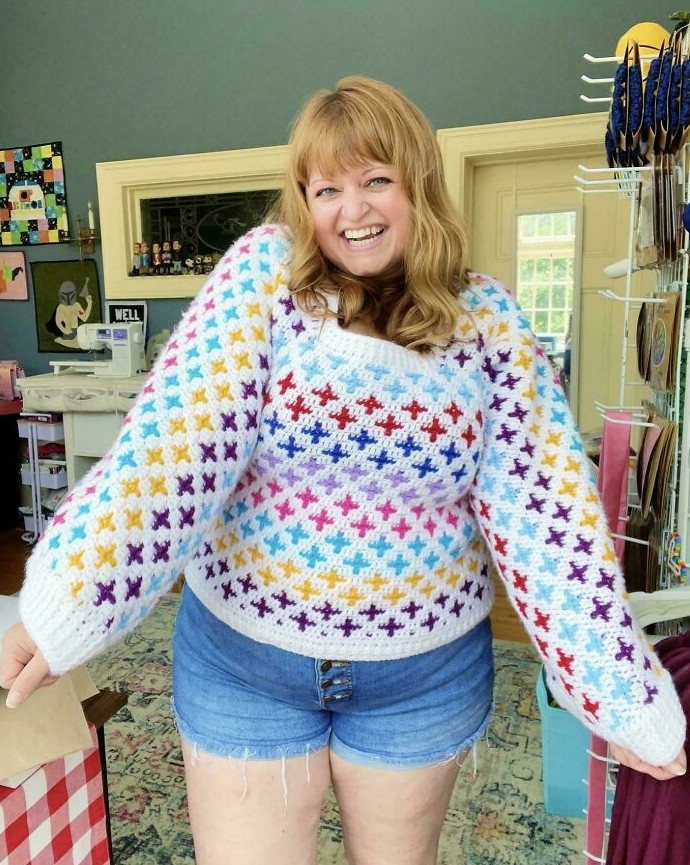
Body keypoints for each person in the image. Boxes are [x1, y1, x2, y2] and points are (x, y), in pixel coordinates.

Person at [0, 76, 686, 865]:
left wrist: (619, 695)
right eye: (326, 189)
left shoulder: (488, 322)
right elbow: (170, 450)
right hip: (244, 668)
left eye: (375, 180)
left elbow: (547, 518)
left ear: (418, 184)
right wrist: (63, 606)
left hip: (421, 682)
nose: (352, 209)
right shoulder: (264, 279)